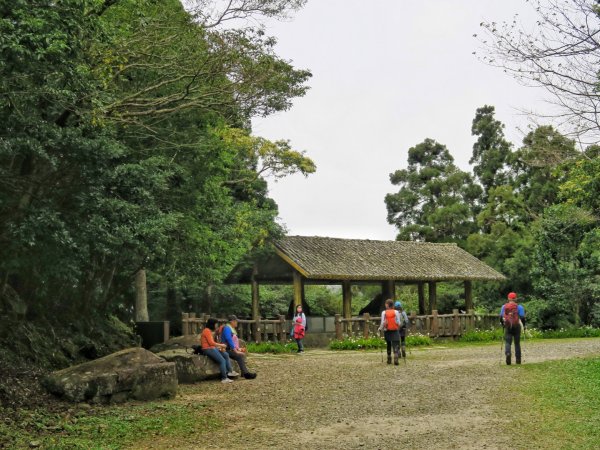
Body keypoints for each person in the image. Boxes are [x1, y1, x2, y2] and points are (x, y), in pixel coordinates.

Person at [200, 318, 239, 383]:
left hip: (212, 347)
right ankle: (224, 378)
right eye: (216, 324)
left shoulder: (209, 331)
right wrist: (221, 345)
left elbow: (212, 343)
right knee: (222, 361)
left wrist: (219, 347)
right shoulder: (206, 331)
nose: (216, 326)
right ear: (212, 324)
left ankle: (230, 371)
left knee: (226, 354)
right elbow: (211, 343)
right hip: (207, 349)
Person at [221, 315, 257, 379]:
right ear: (232, 322)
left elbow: (234, 341)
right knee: (239, 356)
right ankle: (246, 374)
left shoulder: (231, 329)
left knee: (242, 355)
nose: (236, 323)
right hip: (226, 349)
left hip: (230, 349)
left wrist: (238, 348)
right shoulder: (227, 328)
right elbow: (228, 339)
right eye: (235, 321)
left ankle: (244, 372)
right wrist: (235, 350)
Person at [499, 292, 526, 365]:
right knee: (517, 343)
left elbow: (501, 317)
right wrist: (524, 325)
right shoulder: (519, 307)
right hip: (516, 326)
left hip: (508, 326)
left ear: (508, 298)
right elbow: (522, 317)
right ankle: (518, 360)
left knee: (508, 342)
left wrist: (503, 324)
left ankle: (508, 354)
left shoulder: (504, 306)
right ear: (515, 298)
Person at [378, 299, 402, 365]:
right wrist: (398, 326)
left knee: (388, 344)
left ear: (387, 305)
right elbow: (399, 322)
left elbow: (382, 322)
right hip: (395, 330)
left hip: (387, 330)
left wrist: (380, 328)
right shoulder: (396, 312)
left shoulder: (384, 312)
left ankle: (389, 358)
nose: (385, 305)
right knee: (395, 343)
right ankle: (396, 355)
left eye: (386, 304)